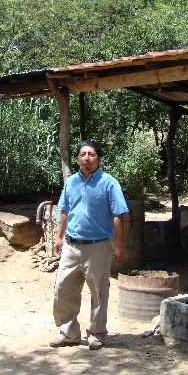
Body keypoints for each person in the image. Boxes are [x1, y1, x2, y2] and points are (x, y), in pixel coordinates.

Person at [50, 140, 128, 350]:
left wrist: (119, 246)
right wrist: (59, 236)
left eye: (91, 154)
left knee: (99, 292)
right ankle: (68, 333)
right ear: (78, 158)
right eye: (83, 154)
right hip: (71, 246)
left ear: (99, 159)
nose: (87, 158)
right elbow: (64, 211)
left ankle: (96, 333)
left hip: (98, 246)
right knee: (63, 289)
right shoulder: (71, 183)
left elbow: (118, 215)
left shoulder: (109, 183)